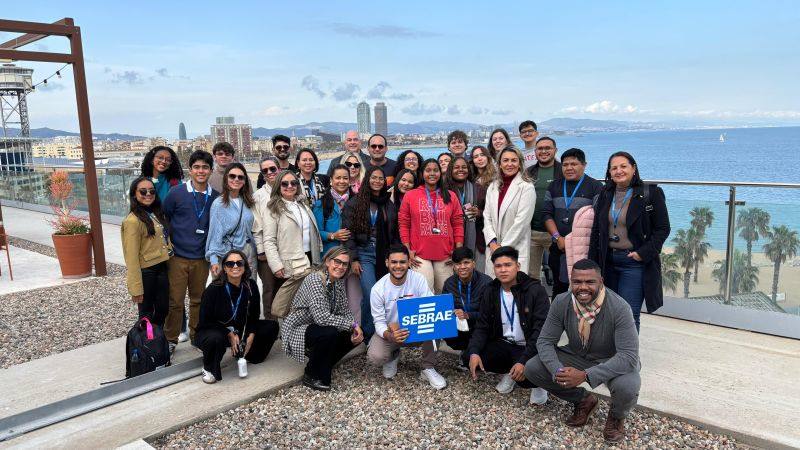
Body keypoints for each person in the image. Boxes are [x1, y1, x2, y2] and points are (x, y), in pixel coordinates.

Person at [524, 259, 641, 443]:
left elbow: (629, 356)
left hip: (611, 360)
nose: (583, 287)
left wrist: (585, 375)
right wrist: (557, 370)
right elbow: (545, 341)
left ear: (601, 281)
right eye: (577, 282)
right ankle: (583, 400)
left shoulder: (620, 308)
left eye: (590, 282)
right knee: (533, 367)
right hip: (577, 355)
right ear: (571, 281)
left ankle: (616, 417)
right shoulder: (561, 302)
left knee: (628, 386)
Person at [589, 151, 670, 331]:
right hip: (607, 261)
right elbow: (596, 230)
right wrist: (592, 264)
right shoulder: (605, 193)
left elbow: (663, 229)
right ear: (609, 172)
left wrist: (642, 254)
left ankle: (629, 358)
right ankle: (611, 356)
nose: (619, 171)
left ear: (634, 168)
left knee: (629, 315)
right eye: (614, 168)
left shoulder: (652, 193)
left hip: (633, 263)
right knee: (606, 313)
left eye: (623, 166)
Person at [467, 246, 549, 404]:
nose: (503, 270)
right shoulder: (490, 290)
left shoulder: (535, 291)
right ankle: (509, 372)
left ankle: (539, 385)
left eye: (508, 265)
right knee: (469, 357)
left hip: (530, 347)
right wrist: (474, 352)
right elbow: (482, 325)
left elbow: (541, 332)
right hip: (505, 343)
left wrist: (523, 361)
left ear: (517, 266)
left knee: (527, 377)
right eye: (498, 266)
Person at [282, 247, 364, 390]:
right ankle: (311, 374)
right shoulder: (315, 279)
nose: (341, 267)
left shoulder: (337, 281)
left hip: (318, 325)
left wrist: (356, 326)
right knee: (330, 333)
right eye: (337, 262)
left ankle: (322, 361)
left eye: (345, 264)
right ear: (327, 261)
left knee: (356, 334)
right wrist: (351, 324)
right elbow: (322, 318)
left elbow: (345, 310)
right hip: (299, 325)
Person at [367, 245, 447, 390]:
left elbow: (431, 307)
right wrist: (389, 335)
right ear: (387, 263)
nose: (398, 266)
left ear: (409, 262)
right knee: (376, 356)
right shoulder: (378, 289)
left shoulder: (418, 279)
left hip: (415, 328)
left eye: (402, 262)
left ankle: (428, 367)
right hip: (391, 332)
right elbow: (378, 321)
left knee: (437, 322)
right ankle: (393, 355)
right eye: (394, 262)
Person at [195, 250, 279, 383]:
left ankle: (244, 354)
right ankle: (208, 367)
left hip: (240, 329)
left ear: (245, 266)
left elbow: (254, 316)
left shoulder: (250, 285)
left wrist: (251, 335)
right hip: (216, 330)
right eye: (230, 263)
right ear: (224, 268)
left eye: (239, 263)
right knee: (215, 338)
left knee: (271, 326)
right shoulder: (213, 289)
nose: (235, 266)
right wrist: (228, 333)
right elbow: (205, 321)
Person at [162, 150, 219, 349]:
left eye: (205, 167)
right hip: (177, 257)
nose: (201, 171)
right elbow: (164, 219)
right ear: (190, 169)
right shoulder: (176, 193)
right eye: (196, 167)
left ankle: (196, 336)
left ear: (211, 170)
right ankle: (170, 340)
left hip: (201, 258)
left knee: (198, 301)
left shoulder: (216, 198)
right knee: (175, 302)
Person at [342, 166, 400, 340]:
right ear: (367, 179)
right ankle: (368, 333)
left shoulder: (387, 203)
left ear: (385, 182)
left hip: (384, 253)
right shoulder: (355, 202)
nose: (377, 181)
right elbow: (348, 233)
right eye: (373, 178)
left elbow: (394, 232)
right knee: (371, 293)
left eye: (381, 179)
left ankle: (385, 329)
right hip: (364, 253)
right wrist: (354, 259)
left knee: (386, 293)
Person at [542, 148, 604, 298]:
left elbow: (599, 220)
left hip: (583, 250)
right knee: (559, 290)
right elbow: (546, 214)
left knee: (583, 291)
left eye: (574, 164)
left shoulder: (595, 187)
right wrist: (557, 237)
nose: (569, 168)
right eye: (565, 164)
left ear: (584, 165)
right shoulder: (554, 186)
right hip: (559, 247)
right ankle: (560, 320)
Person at [398, 159, 464, 293]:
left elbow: (458, 223)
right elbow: (404, 224)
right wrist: (407, 250)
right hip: (419, 255)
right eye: (428, 170)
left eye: (436, 170)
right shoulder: (411, 195)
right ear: (422, 174)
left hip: (446, 254)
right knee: (425, 292)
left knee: (445, 292)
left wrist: (458, 251)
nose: (432, 173)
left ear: (440, 173)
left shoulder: (450, 195)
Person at [121, 177, 173, 327]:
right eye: (143, 191)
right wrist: (135, 288)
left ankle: (155, 340)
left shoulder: (156, 213)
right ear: (134, 194)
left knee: (163, 309)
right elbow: (131, 257)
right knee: (146, 314)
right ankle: (145, 346)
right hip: (146, 272)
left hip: (161, 267)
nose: (148, 194)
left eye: (151, 191)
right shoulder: (132, 221)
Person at [264, 170, 323, 293]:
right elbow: (269, 240)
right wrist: (276, 265)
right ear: (278, 186)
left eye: (293, 183)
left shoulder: (302, 204)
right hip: (290, 263)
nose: (290, 186)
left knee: (309, 298)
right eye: (284, 184)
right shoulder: (272, 208)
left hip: (311, 257)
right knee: (290, 303)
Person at [483, 147, 536, 278]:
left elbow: (522, 222)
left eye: (514, 160)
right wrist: (493, 243)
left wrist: (502, 249)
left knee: (514, 289)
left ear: (520, 163)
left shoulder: (526, 187)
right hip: (493, 247)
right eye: (505, 160)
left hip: (515, 247)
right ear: (499, 164)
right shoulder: (493, 186)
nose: (509, 164)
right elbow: (487, 216)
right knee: (494, 290)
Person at [206, 162, 257, 279]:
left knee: (248, 289)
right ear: (226, 179)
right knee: (228, 292)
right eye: (232, 176)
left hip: (248, 253)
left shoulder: (247, 202)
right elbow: (215, 234)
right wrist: (214, 260)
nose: (236, 179)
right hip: (228, 254)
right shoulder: (219, 204)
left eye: (240, 177)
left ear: (244, 181)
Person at [441, 247, 491, 360]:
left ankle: (477, 351)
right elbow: (445, 311)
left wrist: (468, 315)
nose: (462, 267)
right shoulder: (449, 284)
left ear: (473, 263)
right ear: (453, 266)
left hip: (481, 326)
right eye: (458, 264)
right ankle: (465, 350)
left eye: (466, 262)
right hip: (461, 326)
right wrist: (453, 313)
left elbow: (490, 314)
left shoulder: (487, 283)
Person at [526, 137, 562, 283]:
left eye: (548, 148)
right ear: (535, 152)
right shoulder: (529, 172)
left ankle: (557, 304)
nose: (544, 151)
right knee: (531, 275)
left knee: (559, 273)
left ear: (555, 150)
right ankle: (535, 305)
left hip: (555, 232)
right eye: (540, 148)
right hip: (531, 232)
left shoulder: (562, 171)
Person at [252, 156, 283, 317]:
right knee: (269, 289)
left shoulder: (289, 189)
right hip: (267, 249)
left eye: (272, 169)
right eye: (265, 170)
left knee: (285, 289)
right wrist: (261, 250)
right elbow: (256, 227)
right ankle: (271, 325)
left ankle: (287, 327)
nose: (269, 172)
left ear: (279, 169)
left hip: (287, 248)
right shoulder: (258, 196)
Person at [470, 145, 496, 272]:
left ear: (488, 157)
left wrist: (479, 212)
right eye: (475, 156)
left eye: (482, 155)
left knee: (485, 267)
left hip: (488, 229)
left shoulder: (496, 178)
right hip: (472, 228)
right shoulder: (470, 178)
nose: (479, 159)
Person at [444, 155, 479, 250]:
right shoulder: (443, 190)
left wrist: (479, 212)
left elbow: (489, 212)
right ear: (450, 170)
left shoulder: (477, 188)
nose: (460, 170)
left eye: (464, 167)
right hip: (448, 238)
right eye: (456, 167)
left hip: (473, 237)